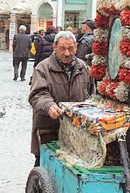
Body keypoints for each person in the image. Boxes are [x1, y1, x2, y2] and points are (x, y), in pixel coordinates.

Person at [28, 31, 94, 166]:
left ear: (76, 47)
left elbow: (92, 95)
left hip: (76, 133)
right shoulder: (43, 68)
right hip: (49, 129)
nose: (67, 53)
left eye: (71, 48)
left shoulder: (84, 68)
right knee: (44, 167)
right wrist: (49, 106)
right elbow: (37, 94)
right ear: (54, 47)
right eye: (62, 48)